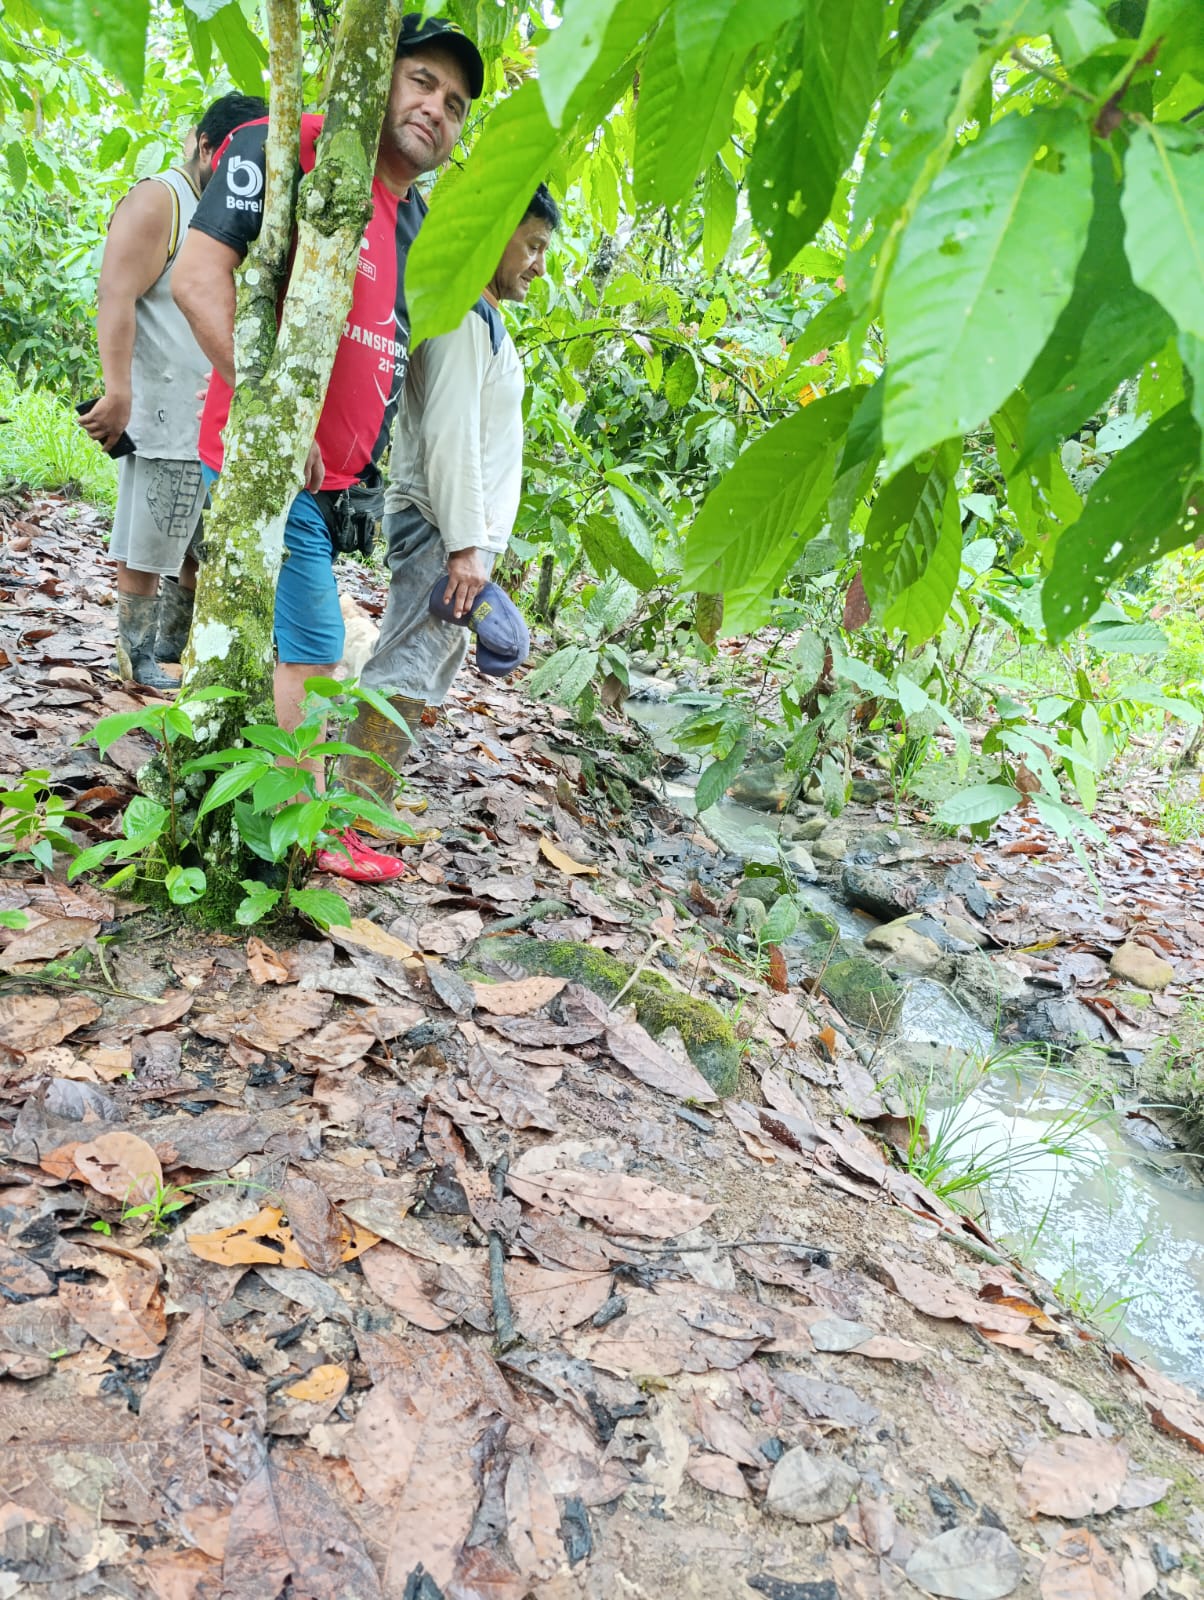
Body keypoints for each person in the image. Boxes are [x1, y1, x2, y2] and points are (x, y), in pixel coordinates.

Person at [171, 13, 483, 884]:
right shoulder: (292, 148)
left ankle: (271, 809)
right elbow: (197, 279)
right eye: (421, 81)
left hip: (332, 483)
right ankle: (300, 830)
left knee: (291, 648)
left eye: (456, 104)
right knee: (312, 646)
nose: (436, 108)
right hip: (269, 462)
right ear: (376, 75)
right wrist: (275, 411)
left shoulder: (415, 223)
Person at [339, 187, 559, 815]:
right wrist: (465, 547)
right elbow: (449, 434)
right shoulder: (462, 318)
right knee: (408, 662)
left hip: (450, 529)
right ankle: (351, 815)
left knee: (421, 658)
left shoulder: (480, 319)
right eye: (532, 246)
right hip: (440, 525)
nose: (539, 265)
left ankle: (363, 802)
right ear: (492, 235)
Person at [80, 92, 267, 691]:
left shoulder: (237, 213)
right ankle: (132, 655)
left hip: (214, 414)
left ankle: (170, 647)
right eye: (235, 155)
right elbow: (116, 293)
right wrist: (118, 391)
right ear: (206, 146)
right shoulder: (163, 198)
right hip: (165, 407)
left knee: (197, 546)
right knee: (150, 535)